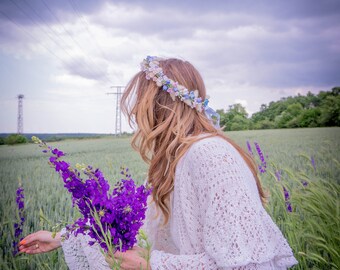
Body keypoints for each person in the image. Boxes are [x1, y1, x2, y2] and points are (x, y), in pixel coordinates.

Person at [19, 56, 298, 269]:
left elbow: (249, 265)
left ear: (161, 104)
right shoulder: (170, 163)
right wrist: (62, 236)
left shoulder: (213, 156)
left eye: (142, 100)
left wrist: (153, 264)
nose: (137, 113)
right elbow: (133, 230)